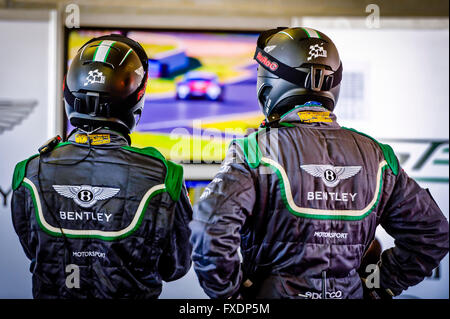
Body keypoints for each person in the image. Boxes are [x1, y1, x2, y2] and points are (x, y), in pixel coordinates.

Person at [189, 27, 449, 299]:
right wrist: (377, 286)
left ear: (270, 82)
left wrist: (233, 296)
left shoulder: (253, 151)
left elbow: (209, 230)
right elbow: (432, 235)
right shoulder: (379, 156)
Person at [11, 34, 193, 298]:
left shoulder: (28, 173)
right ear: (135, 100)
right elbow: (175, 266)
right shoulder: (165, 176)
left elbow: (35, 249)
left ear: (69, 93)